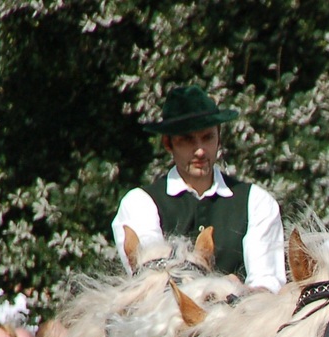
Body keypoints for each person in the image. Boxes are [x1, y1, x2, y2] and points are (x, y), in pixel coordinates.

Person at [109, 85, 284, 291]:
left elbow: (267, 283)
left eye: (207, 137)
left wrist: (239, 293)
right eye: (187, 140)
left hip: (242, 310)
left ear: (219, 137)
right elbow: (152, 278)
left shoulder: (256, 201)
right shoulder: (141, 203)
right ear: (168, 143)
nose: (200, 151)